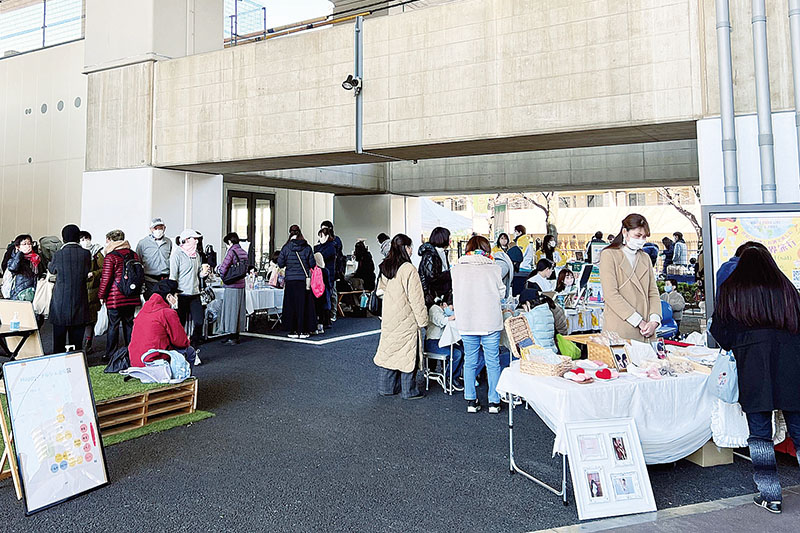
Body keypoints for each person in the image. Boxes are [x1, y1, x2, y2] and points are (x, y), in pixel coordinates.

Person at [710, 246, 800, 514]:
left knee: (760, 434)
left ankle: (770, 495)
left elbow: (721, 335)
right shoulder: (787, 289)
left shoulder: (732, 290)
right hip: (792, 364)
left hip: (753, 367)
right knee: (799, 428)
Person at [451, 235, 506, 414]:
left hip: (467, 321)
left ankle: (471, 400)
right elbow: (501, 294)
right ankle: (494, 402)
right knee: (493, 362)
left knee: (470, 361)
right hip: (490, 320)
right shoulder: (493, 268)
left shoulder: (457, 268)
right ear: (485, 248)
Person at [373, 233, 427, 400]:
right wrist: (423, 320)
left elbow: (380, 292)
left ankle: (386, 388)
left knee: (389, 351)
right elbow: (416, 299)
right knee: (407, 353)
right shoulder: (408, 269)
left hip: (389, 316)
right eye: (410, 247)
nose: (411, 251)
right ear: (405, 248)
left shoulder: (385, 266)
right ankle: (409, 391)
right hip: (406, 318)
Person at [599, 214, 661, 342]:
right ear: (625, 232)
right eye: (637, 236)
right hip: (621, 329)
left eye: (644, 237)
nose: (641, 240)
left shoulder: (645, 258)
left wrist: (654, 320)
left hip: (647, 331)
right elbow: (611, 294)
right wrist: (639, 321)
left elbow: (653, 292)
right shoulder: (609, 255)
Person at [128, 279, 196, 367]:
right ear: (169, 297)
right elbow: (181, 342)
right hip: (155, 361)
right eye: (176, 296)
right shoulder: (167, 313)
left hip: (136, 361)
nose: (177, 299)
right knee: (190, 352)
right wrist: (187, 340)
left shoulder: (143, 310)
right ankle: (183, 377)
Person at [98, 229, 141, 358]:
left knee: (113, 326)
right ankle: (131, 352)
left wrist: (101, 295)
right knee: (129, 324)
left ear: (111, 240)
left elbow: (106, 279)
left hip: (115, 297)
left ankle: (111, 354)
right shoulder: (133, 254)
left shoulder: (111, 257)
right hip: (131, 295)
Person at [48, 225, 91, 354]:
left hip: (60, 300)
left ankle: (58, 359)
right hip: (80, 298)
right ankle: (76, 361)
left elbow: (52, 270)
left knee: (59, 338)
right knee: (77, 338)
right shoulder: (86, 254)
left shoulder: (58, 254)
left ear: (63, 237)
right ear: (78, 237)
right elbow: (86, 271)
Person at [170, 229, 209, 361]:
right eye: (194, 238)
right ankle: (179, 350)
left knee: (199, 321)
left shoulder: (196, 255)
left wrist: (203, 274)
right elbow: (173, 276)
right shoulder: (177, 255)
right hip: (181, 295)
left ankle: (193, 346)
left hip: (195, 293)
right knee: (179, 325)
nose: (197, 241)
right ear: (186, 240)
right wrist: (173, 295)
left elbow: (198, 272)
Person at [277, 225, 317, 338]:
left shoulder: (286, 248)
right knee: (303, 306)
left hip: (290, 280)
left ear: (290, 233)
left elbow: (280, 263)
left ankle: (293, 331)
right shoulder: (307, 247)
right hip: (303, 281)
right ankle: (303, 331)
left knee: (291, 306)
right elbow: (312, 264)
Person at [425, 296, 464, 390]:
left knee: (463, 351)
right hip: (433, 342)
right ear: (444, 304)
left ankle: (453, 376)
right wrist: (453, 316)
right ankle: (447, 376)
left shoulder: (442, 311)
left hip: (442, 341)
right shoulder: (434, 309)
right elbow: (441, 321)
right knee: (456, 354)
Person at [218, 232, 249, 346]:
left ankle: (231, 336)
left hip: (232, 285)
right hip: (241, 284)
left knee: (230, 311)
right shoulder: (243, 252)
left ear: (230, 242)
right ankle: (236, 335)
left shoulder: (231, 252)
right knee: (238, 311)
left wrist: (218, 271)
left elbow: (223, 268)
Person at [79, 231, 104, 352]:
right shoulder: (76, 252)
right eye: (82, 239)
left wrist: (93, 274)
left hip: (93, 290)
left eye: (86, 238)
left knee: (91, 319)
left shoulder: (96, 253)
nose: (85, 241)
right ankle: (78, 343)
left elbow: (103, 269)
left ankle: (88, 342)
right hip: (79, 290)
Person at [136, 217, 172, 300]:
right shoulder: (143, 243)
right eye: (155, 228)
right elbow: (138, 260)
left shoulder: (168, 242)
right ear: (151, 229)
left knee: (164, 305)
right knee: (151, 305)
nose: (158, 230)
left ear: (164, 228)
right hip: (149, 280)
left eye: (161, 228)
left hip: (164, 280)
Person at [418, 226, 452, 307]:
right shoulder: (430, 255)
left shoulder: (442, 252)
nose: (450, 240)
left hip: (441, 295)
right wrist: (450, 273)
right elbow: (431, 277)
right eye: (449, 237)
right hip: (433, 296)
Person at [320, 220, 344, 322]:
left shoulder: (335, 242)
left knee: (332, 292)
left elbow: (337, 256)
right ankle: (327, 314)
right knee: (326, 292)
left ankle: (332, 313)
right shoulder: (322, 242)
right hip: (324, 270)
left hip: (333, 270)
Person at [5, 234, 40, 301]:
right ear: (18, 247)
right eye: (24, 244)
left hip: (33, 291)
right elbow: (13, 268)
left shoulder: (36, 258)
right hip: (19, 293)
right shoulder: (14, 259)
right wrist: (19, 254)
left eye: (30, 243)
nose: (28, 246)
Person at [313, 251, 332, 334]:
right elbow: (328, 283)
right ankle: (324, 324)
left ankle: (316, 325)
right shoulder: (326, 271)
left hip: (315, 292)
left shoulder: (313, 270)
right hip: (324, 291)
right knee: (324, 308)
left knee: (316, 308)